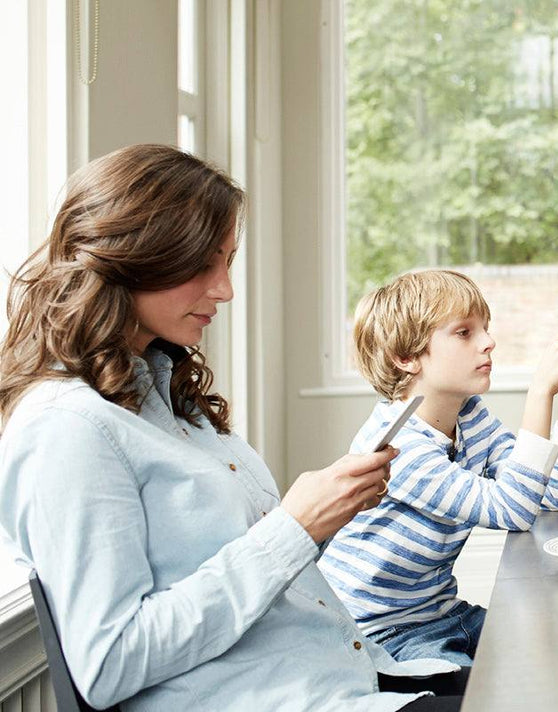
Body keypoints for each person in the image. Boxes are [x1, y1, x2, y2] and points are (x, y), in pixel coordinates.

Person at [0, 144, 465, 711]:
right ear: (131, 256)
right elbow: (109, 662)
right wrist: (295, 525)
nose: (225, 289)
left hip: (349, 679)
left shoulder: (164, 394)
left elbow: (250, 572)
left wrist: (326, 515)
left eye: (228, 261)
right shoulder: (66, 430)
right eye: (203, 264)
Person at [318, 270, 558, 664]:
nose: (489, 342)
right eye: (464, 332)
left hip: (444, 612)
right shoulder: (398, 447)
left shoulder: (470, 416)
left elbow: (554, 495)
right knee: (496, 689)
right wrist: (541, 391)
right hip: (382, 633)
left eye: (485, 329)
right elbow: (514, 510)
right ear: (405, 358)